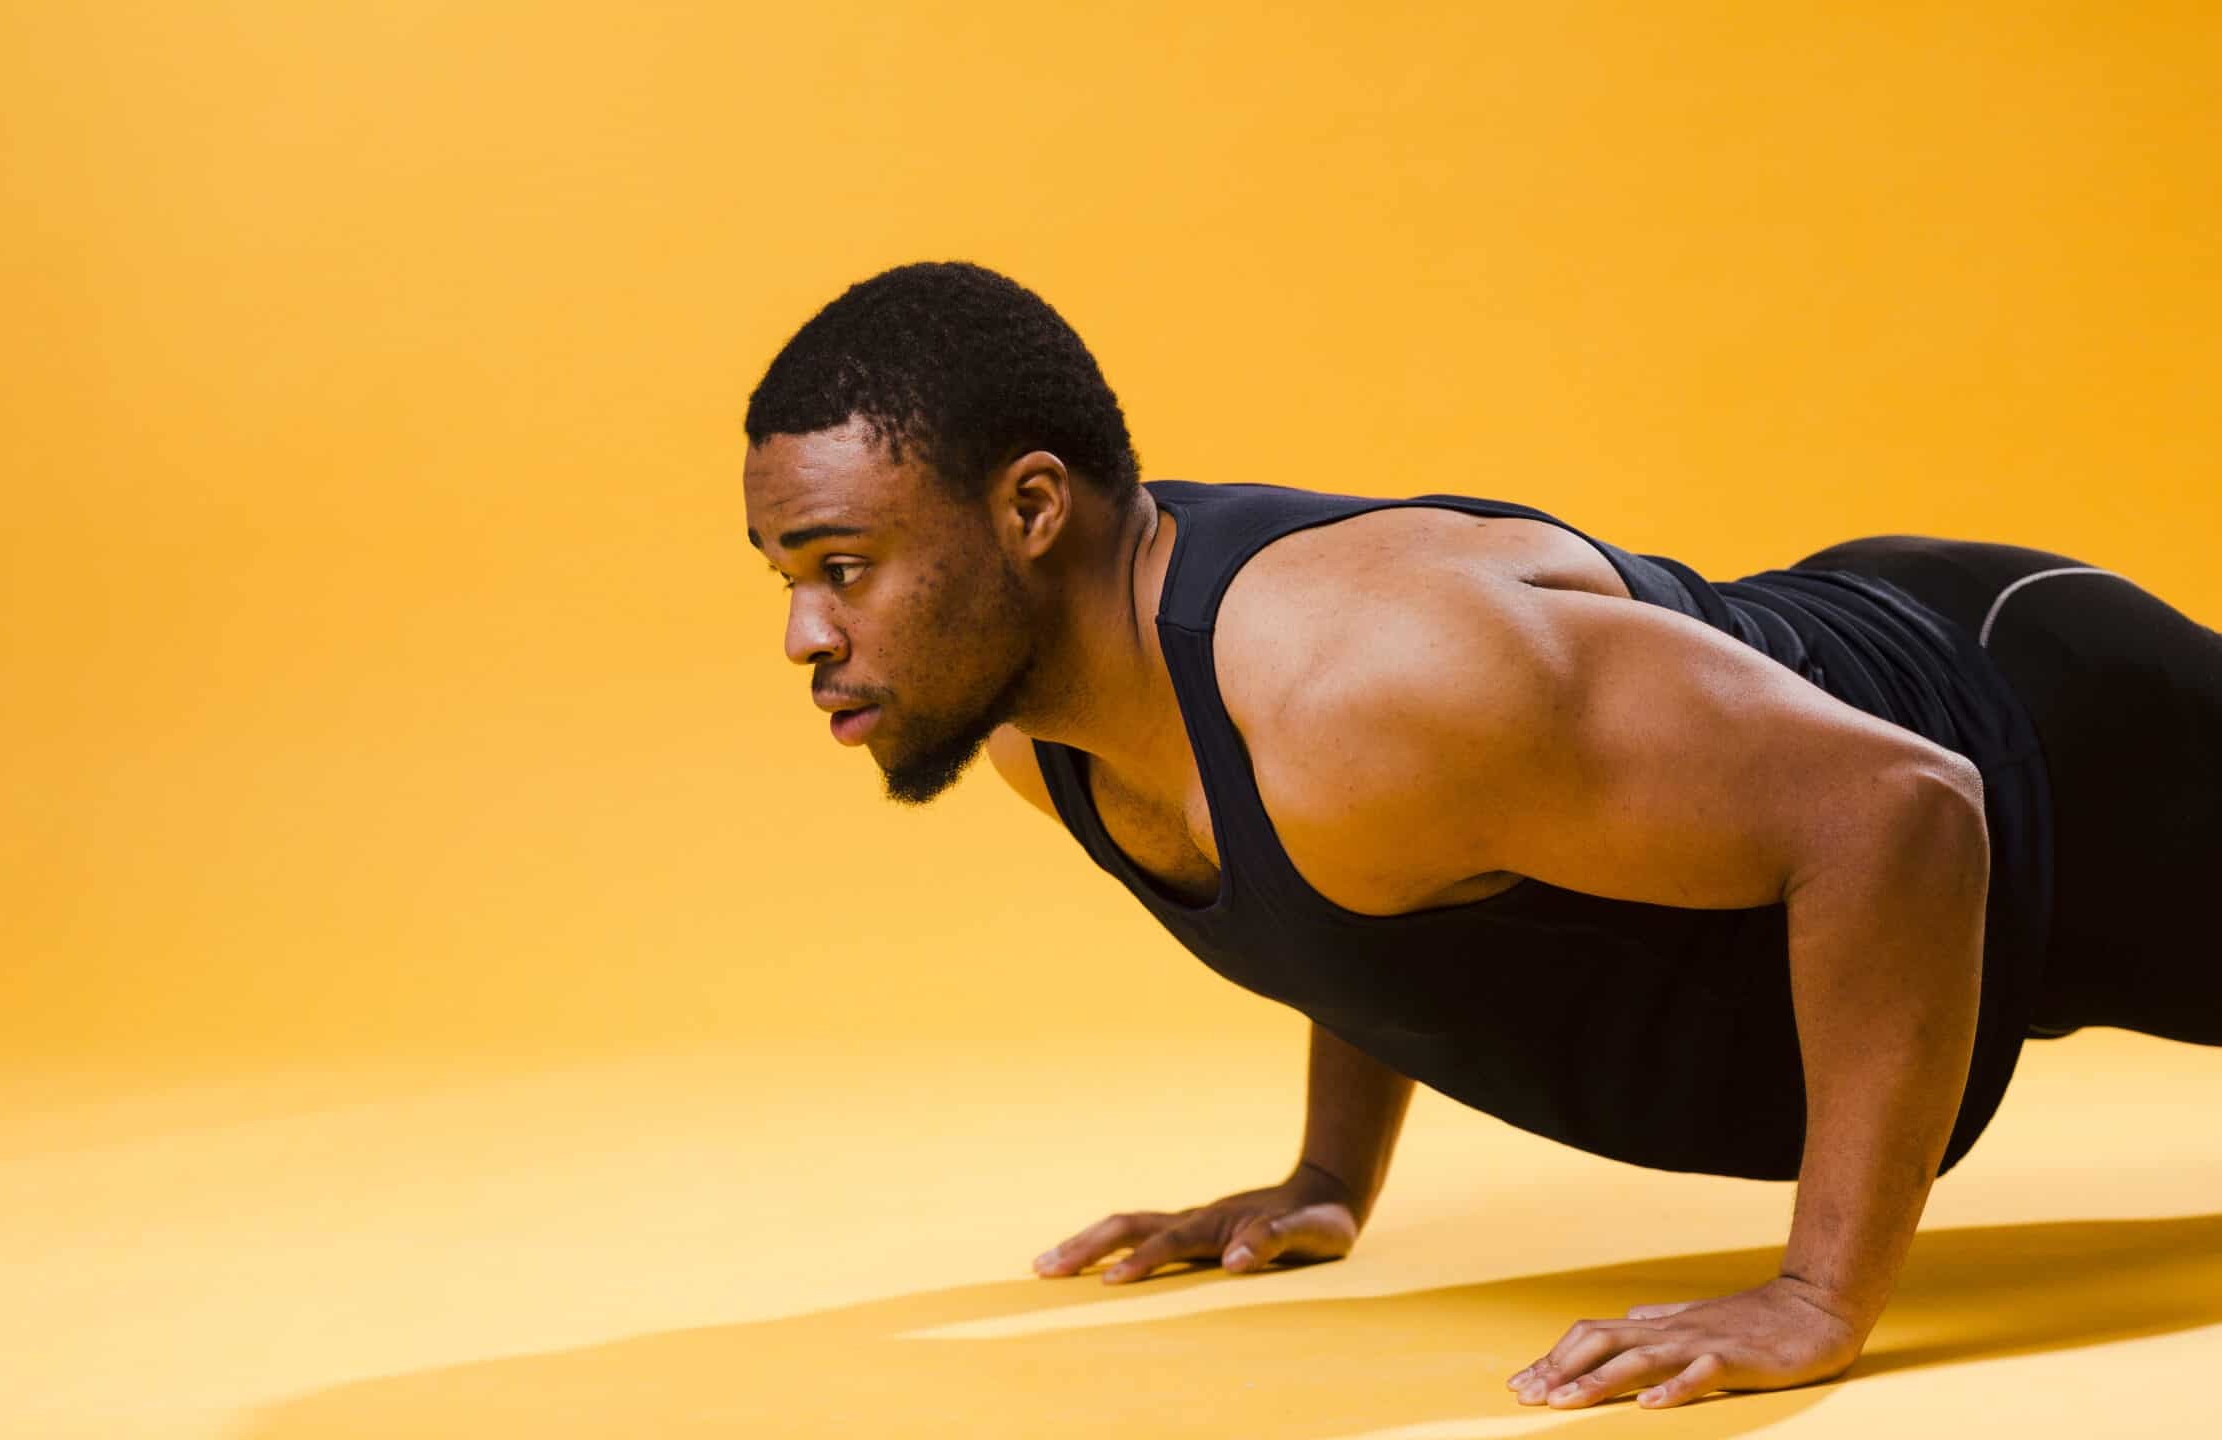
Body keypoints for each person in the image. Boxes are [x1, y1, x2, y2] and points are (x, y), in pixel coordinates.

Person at [738, 260, 2221, 1412]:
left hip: (2049, 730)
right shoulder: (1049, 737)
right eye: (785, 576)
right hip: (1938, 868)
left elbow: (1900, 809)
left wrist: (1820, 1296)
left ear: (1033, 509)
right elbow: (1368, 887)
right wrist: (1327, 1181)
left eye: (846, 567)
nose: (805, 632)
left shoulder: (1362, 679)